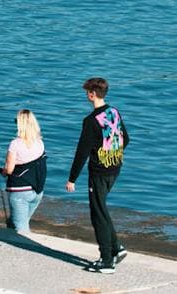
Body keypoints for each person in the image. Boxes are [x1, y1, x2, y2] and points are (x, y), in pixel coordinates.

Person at [65, 76, 129, 273]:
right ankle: (116, 247)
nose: (86, 95)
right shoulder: (114, 112)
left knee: (97, 214)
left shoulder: (91, 121)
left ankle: (107, 261)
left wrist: (72, 178)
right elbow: (125, 138)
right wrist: (112, 153)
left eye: (87, 93)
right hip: (115, 167)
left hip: (99, 172)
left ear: (92, 94)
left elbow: (82, 152)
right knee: (102, 208)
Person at [0, 108, 47, 237]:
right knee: (19, 221)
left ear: (20, 125)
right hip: (37, 191)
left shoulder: (15, 144)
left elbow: (10, 169)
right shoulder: (40, 143)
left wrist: (3, 171)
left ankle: (26, 252)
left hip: (20, 191)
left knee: (22, 230)